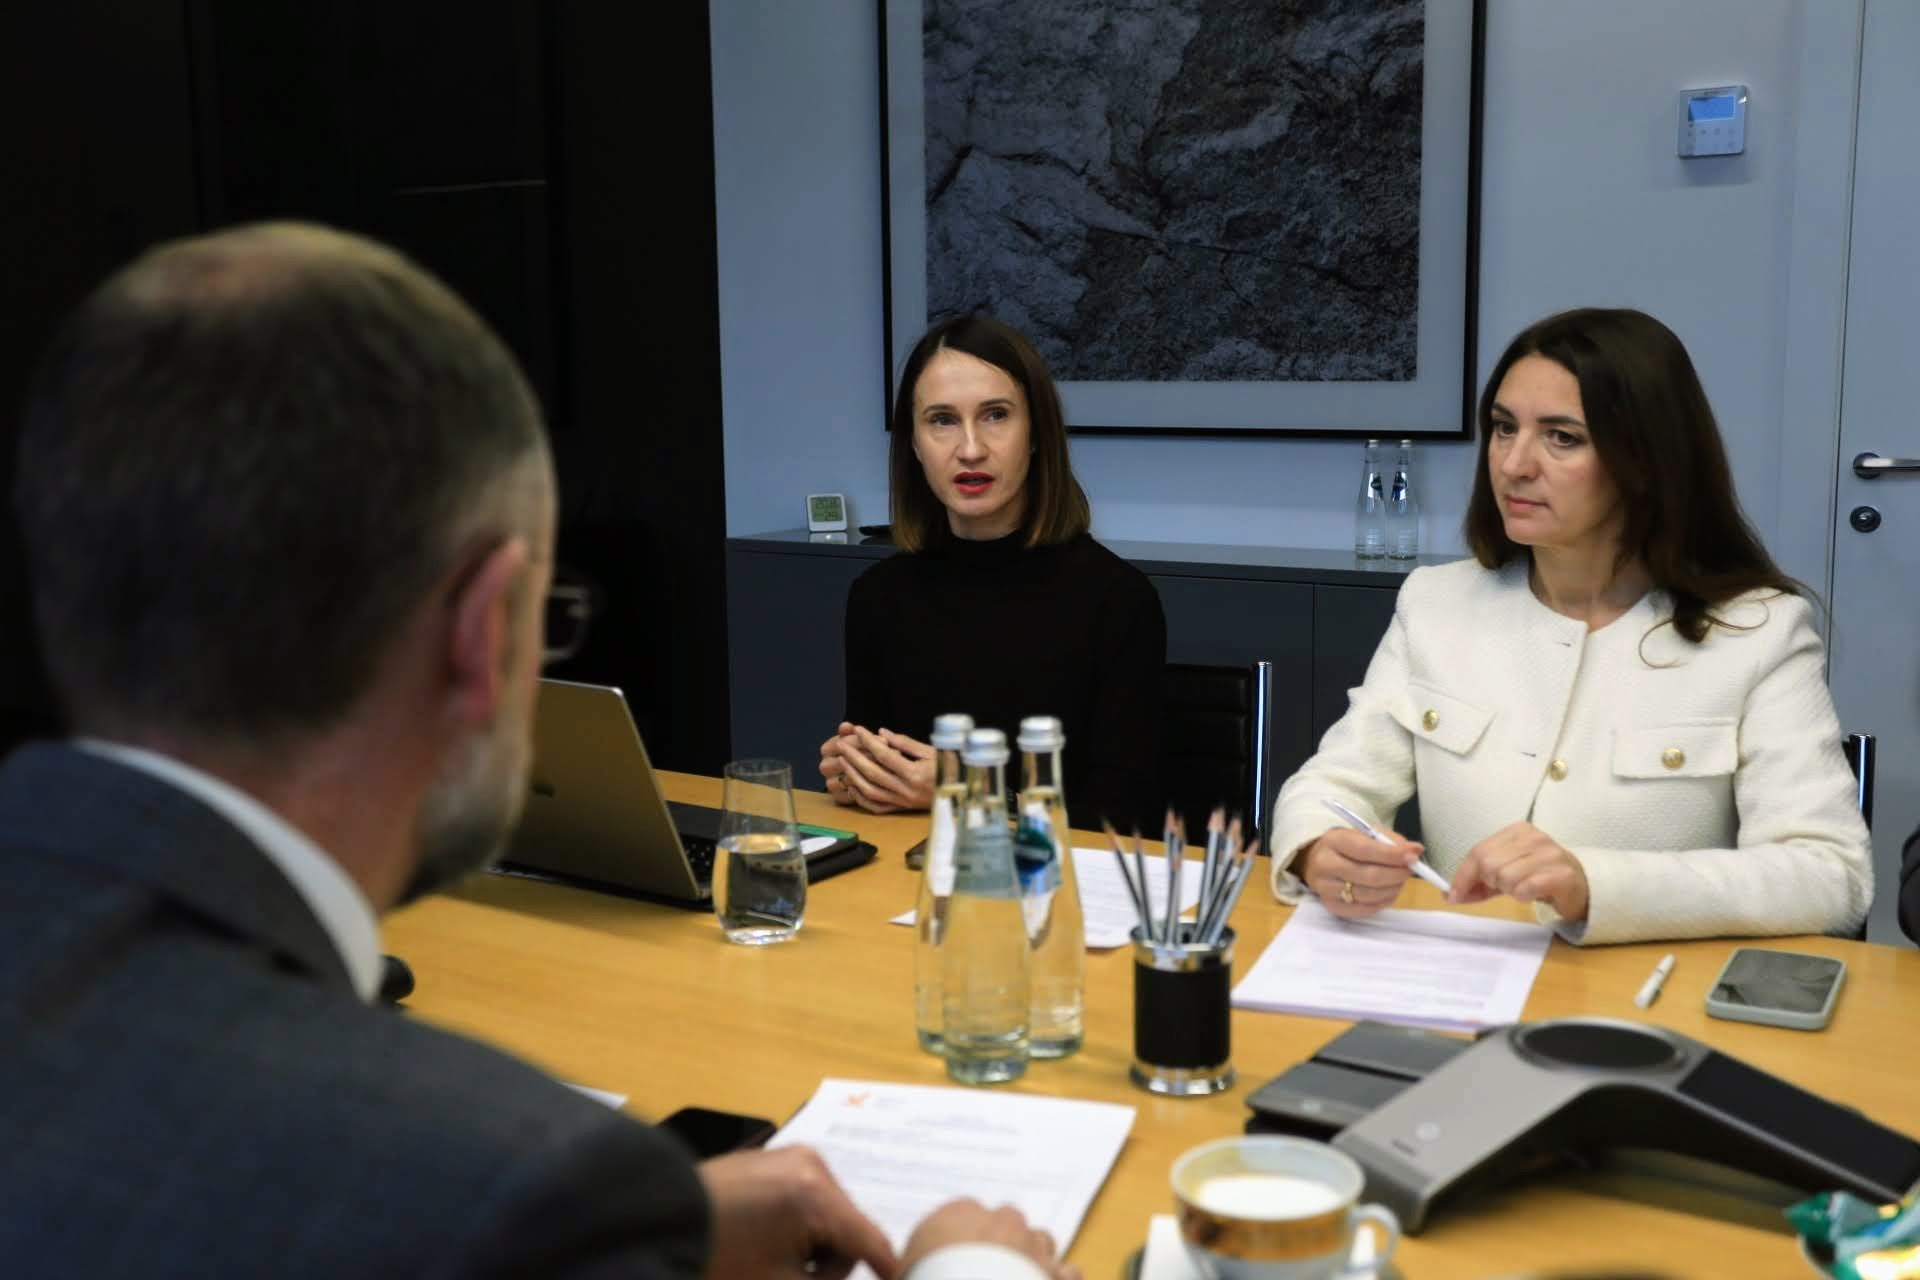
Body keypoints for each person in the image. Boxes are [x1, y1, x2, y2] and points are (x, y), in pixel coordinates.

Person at [0, 222, 1072, 1280]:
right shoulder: (515, 1190)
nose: (969, 445)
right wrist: (971, 1266)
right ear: (483, 634)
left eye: (993, 416)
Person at [1266, 307, 1871, 944]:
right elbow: (1335, 783)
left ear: (1648, 460)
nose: (1514, 464)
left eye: (1562, 437)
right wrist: (1317, 847)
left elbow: (1831, 876)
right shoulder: (1436, 603)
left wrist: (1595, 884)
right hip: (1461, 971)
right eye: (1504, 428)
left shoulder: (1759, 631)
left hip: (1644, 989)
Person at [819, 314, 1164, 831]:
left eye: (996, 415)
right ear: (914, 444)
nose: (971, 449)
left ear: (1036, 434)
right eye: (942, 420)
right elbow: (885, 781)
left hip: (1054, 872)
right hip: (911, 870)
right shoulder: (878, 596)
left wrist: (966, 788)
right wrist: (859, 774)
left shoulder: (1118, 599)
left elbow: (1129, 816)